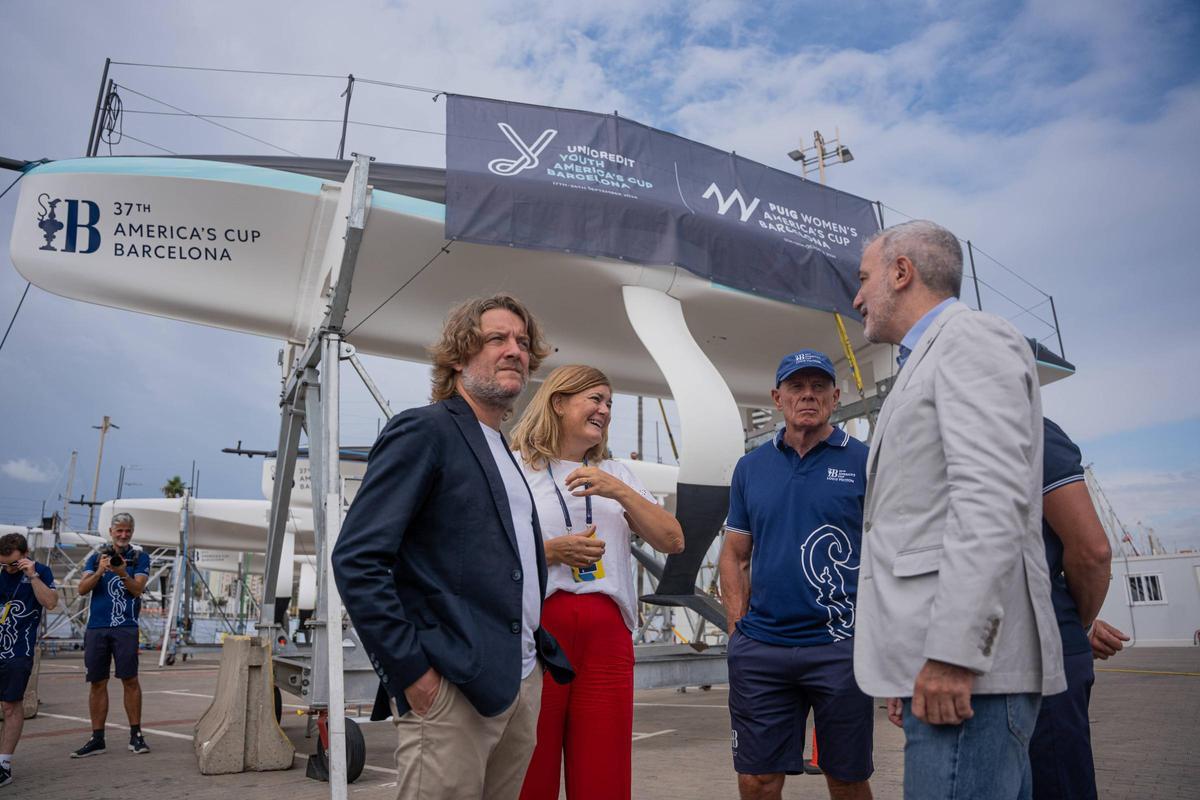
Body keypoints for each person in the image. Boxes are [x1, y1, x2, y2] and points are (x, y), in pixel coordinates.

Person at [851, 220, 1065, 800]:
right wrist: (905, 665)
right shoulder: (924, 361)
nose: (857, 295)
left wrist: (952, 654)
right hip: (943, 675)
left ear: (902, 272)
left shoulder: (971, 340)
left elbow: (990, 500)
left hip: (972, 681)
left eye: (864, 278)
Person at [332, 294, 574, 800]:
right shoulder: (425, 430)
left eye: (523, 343)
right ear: (458, 358)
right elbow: (357, 558)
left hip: (518, 681)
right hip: (451, 691)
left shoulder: (501, 450)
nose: (515, 351)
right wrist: (413, 675)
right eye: (497, 339)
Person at [511, 365, 684, 800]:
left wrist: (618, 490)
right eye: (595, 399)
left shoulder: (617, 473)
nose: (605, 410)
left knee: (603, 774)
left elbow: (673, 539)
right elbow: (487, 554)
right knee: (533, 768)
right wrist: (551, 552)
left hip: (607, 634)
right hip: (540, 630)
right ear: (558, 402)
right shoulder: (516, 470)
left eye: (610, 403)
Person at [718, 350, 874, 800]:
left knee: (846, 777)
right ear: (777, 398)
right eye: (797, 387)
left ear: (835, 396)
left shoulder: (865, 461)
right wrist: (737, 628)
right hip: (762, 649)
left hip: (840, 648)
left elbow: (890, 553)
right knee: (757, 779)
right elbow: (734, 555)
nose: (808, 395)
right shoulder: (751, 468)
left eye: (819, 387)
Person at [1029, 418, 1128, 800]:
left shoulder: (1025, 429)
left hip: (1038, 657)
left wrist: (1075, 626)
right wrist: (1079, 626)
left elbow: (1092, 552)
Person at [72, 512, 151, 758]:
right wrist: (99, 571)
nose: (123, 535)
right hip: (97, 627)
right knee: (97, 682)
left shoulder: (140, 557)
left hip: (126, 626)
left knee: (130, 680)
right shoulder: (96, 556)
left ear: (132, 532)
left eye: (128, 530)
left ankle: (136, 735)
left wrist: (122, 572)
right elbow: (82, 589)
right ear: (111, 531)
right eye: (119, 530)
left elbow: (138, 590)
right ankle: (97, 738)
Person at [0, 533, 58, 787]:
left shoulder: (41, 572)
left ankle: (3, 763)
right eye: (3, 564)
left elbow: (51, 603)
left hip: (18, 652)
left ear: (25, 556)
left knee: (11, 706)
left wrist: (32, 576)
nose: (7, 568)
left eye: (12, 563)